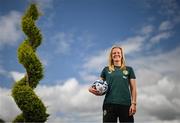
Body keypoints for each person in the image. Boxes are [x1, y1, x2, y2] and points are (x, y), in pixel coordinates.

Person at [89, 45, 137, 123]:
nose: (116, 54)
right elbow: (98, 85)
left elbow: (133, 88)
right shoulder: (106, 69)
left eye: (118, 52)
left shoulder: (129, 69)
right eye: (114, 53)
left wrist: (134, 103)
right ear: (111, 56)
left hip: (125, 104)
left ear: (122, 55)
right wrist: (91, 89)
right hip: (109, 104)